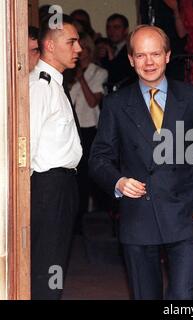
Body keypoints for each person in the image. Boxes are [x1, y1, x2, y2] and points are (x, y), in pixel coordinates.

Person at [89, 25, 193, 300]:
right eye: (141, 55)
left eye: (155, 54)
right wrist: (118, 181)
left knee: (183, 297)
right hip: (138, 217)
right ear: (130, 60)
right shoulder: (116, 104)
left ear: (167, 56)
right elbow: (99, 158)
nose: (149, 62)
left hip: (186, 214)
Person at [29, 14, 82, 299]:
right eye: (71, 42)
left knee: (55, 263)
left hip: (61, 187)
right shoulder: (40, 87)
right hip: (48, 188)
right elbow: (26, 148)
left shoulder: (56, 85)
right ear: (49, 45)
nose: (79, 49)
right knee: (47, 266)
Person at [68, 33, 108, 234]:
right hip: (71, 129)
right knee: (75, 177)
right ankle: (75, 221)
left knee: (87, 176)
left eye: (84, 47)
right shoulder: (68, 71)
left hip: (90, 128)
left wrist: (80, 79)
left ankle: (87, 221)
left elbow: (93, 101)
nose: (80, 51)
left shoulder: (98, 72)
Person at [99, 13, 136, 92]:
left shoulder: (132, 49)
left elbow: (120, 75)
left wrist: (111, 57)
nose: (111, 31)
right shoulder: (104, 47)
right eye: (108, 27)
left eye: (116, 27)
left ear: (126, 30)